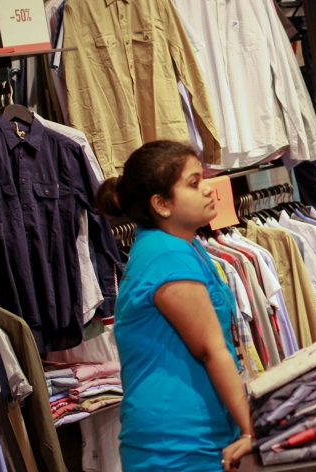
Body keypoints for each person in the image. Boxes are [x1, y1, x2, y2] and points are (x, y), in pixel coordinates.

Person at [96, 141, 253, 472]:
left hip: (192, 435)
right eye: (194, 183)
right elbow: (212, 349)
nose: (209, 189)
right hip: (178, 446)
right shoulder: (167, 256)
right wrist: (252, 430)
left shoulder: (181, 244)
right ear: (161, 204)